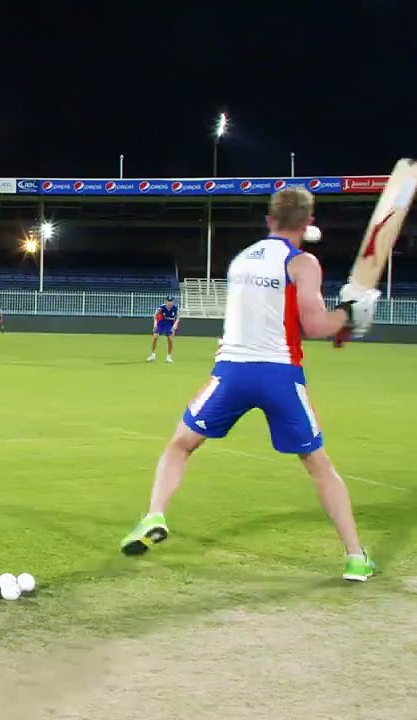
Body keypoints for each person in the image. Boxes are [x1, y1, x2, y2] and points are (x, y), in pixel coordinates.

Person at [120, 187, 381, 581]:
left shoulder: (241, 260)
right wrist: (350, 315)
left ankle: (154, 514)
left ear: (269, 220)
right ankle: (356, 557)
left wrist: (343, 317)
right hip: (280, 374)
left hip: (232, 371)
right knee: (319, 467)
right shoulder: (303, 263)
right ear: (308, 222)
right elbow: (313, 326)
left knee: (180, 445)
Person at [147, 296, 180, 363]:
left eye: (171, 301)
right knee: (155, 337)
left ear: (173, 302)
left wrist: (175, 325)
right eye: (168, 301)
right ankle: (152, 355)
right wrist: (155, 324)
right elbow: (156, 315)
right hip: (161, 323)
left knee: (170, 339)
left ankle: (169, 357)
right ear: (166, 301)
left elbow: (178, 317)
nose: (169, 303)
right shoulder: (161, 307)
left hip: (169, 324)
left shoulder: (175, 308)